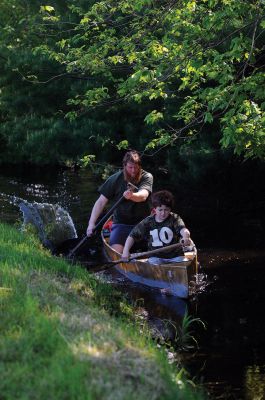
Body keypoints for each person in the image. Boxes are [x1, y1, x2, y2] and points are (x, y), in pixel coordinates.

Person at [86, 150, 153, 253]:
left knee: (153, 251)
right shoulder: (115, 179)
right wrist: (91, 224)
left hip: (143, 223)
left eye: (136, 167)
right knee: (116, 253)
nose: (133, 171)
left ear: (139, 166)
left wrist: (132, 196)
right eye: (130, 167)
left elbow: (143, 196)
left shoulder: (147, 176)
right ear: (124, 165)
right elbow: (101, 202)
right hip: (122, 223)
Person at [121, 190, 194, 264]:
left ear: (170, 209)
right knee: (153, 262)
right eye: (160, 210)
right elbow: (132, 236)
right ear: (154, 209)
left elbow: (183, 230)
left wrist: (186, 237)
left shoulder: (175, 218)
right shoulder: (148, 222)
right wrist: (125, 251)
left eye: (166, 210)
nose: (163, 213)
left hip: (175, 256)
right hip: (156, 257)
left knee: (182, 262)